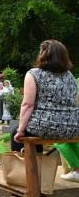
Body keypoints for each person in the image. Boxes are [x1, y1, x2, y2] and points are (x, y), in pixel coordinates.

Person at [12, 40, 78, 181]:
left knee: (16, 133)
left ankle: (28, 178)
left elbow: (27, 105)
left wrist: (20, 130)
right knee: (33, 131)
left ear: (44, 55)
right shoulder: (70, 76)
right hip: (72, 127)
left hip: (46, 125)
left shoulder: (34, 74)